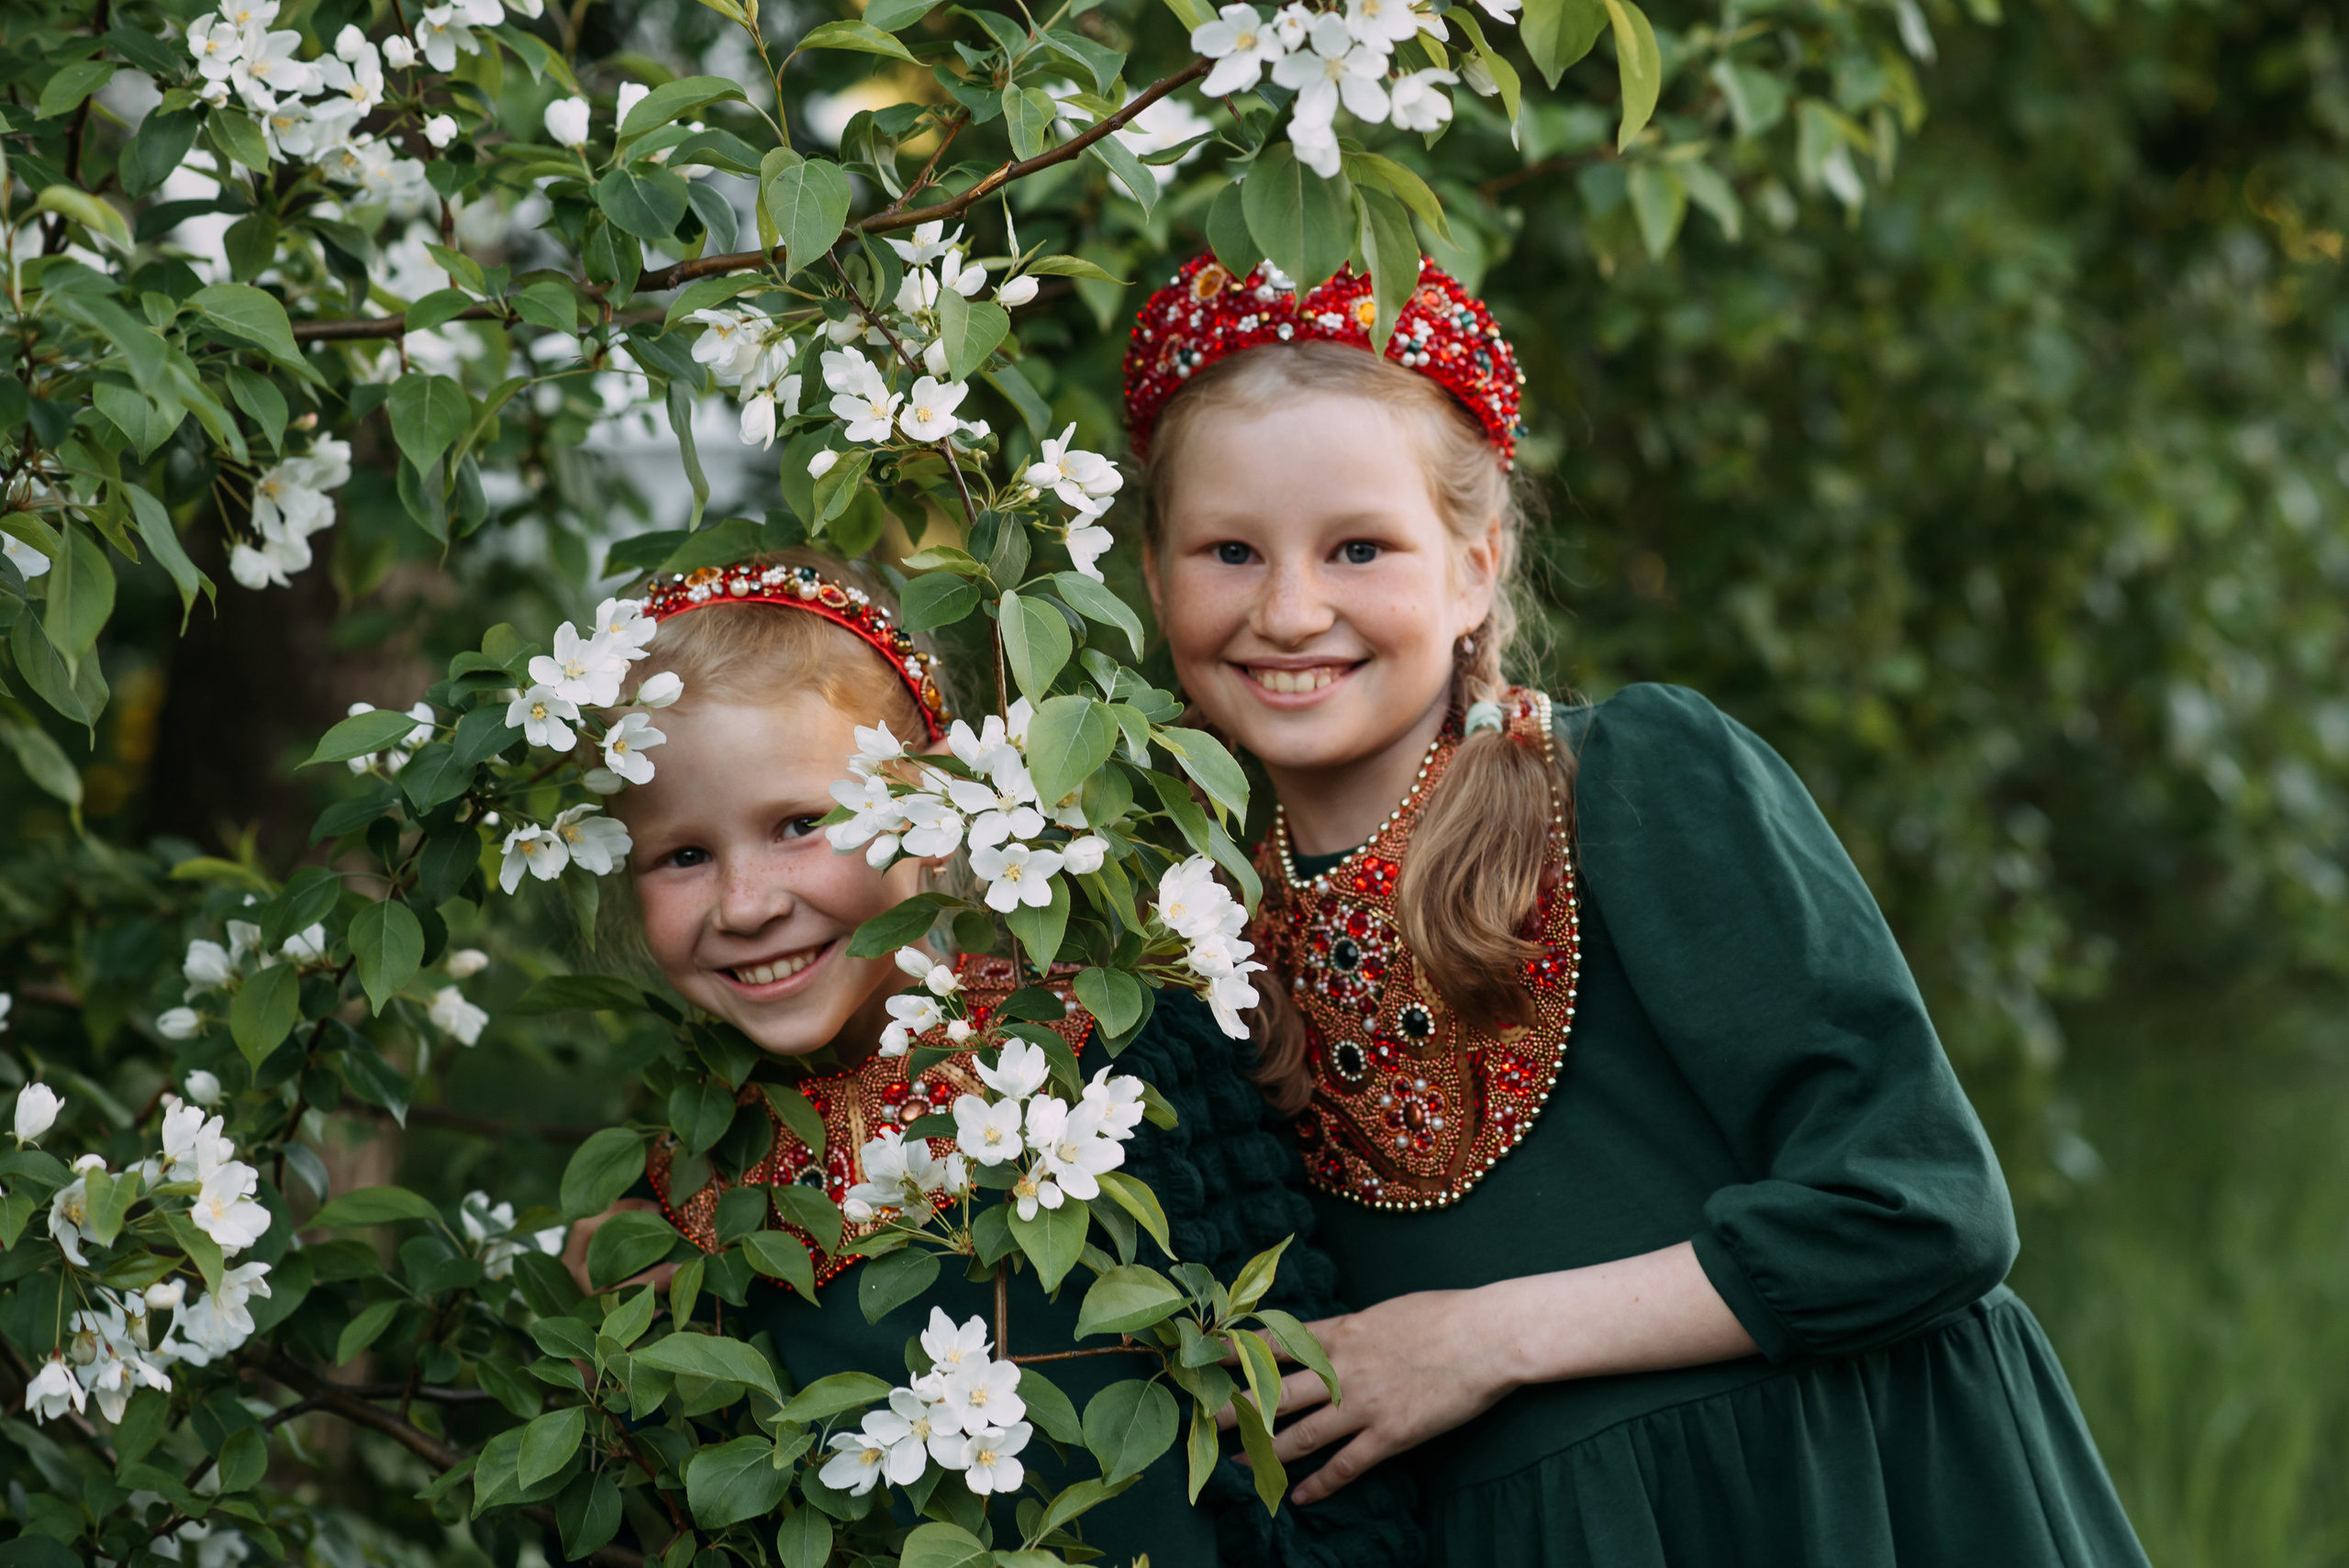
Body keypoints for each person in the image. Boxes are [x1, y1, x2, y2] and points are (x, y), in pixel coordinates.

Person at [1127, 254, 2152, 1566]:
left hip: (1830, 1501)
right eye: (1229, 551)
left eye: (1359, 547)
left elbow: (1923, 1208)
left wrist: (1480, 1339)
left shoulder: (1631, 789)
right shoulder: (1187, 943)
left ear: (1475, 568)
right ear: (1157, 582)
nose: (1289, 609)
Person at [570, 546, 1421, 1568]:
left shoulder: (1095, 1052)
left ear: (928, 808)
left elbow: (1294, 1421)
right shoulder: (696, 1182)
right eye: (684, 854)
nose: (747, 903)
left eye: (800, 824)